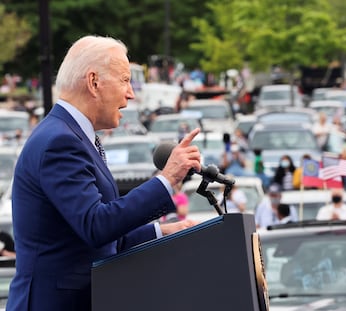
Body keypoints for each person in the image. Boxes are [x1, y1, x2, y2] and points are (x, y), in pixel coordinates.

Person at [6, 35, 202, 311]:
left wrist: (165, 230)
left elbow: (104, 240)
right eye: (124, 80)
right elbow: (96, 226)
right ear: (94, 82)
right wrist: (167, 180)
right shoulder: (59, 142)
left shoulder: (71, 136)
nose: (131, 93)